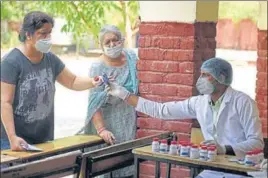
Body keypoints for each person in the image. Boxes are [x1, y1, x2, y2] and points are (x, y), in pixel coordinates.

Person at [108, 57, 265, 178]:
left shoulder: (243, 102)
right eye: (201, 74)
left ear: (222, 78)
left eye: (206, 75)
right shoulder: (200, 102)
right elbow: (161, 110)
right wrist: (123, 94)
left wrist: (224, 149)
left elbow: (256, 143)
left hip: (241, 170)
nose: (200, 79)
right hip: (212, 171)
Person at [0, 11, 103, 151]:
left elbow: (72, 81)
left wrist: (92, 82)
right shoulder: (11, 62)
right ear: (28, 35)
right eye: (43, 34)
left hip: (44, 139)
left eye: (50, 33)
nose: (48, 38)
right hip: (15, 141)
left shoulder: (50, 59)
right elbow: (5, 102)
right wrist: (12, 137)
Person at [80, 25, 138, 178]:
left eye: (115, 40)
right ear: (101, 46)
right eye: (107, 42)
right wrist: (101, 130)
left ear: (122, 40)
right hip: (107, 123)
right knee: (107, 168)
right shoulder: (98, 67)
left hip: (128, 119)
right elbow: (94, 102)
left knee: (127, 166)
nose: (112, 44)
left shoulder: (132, 58)